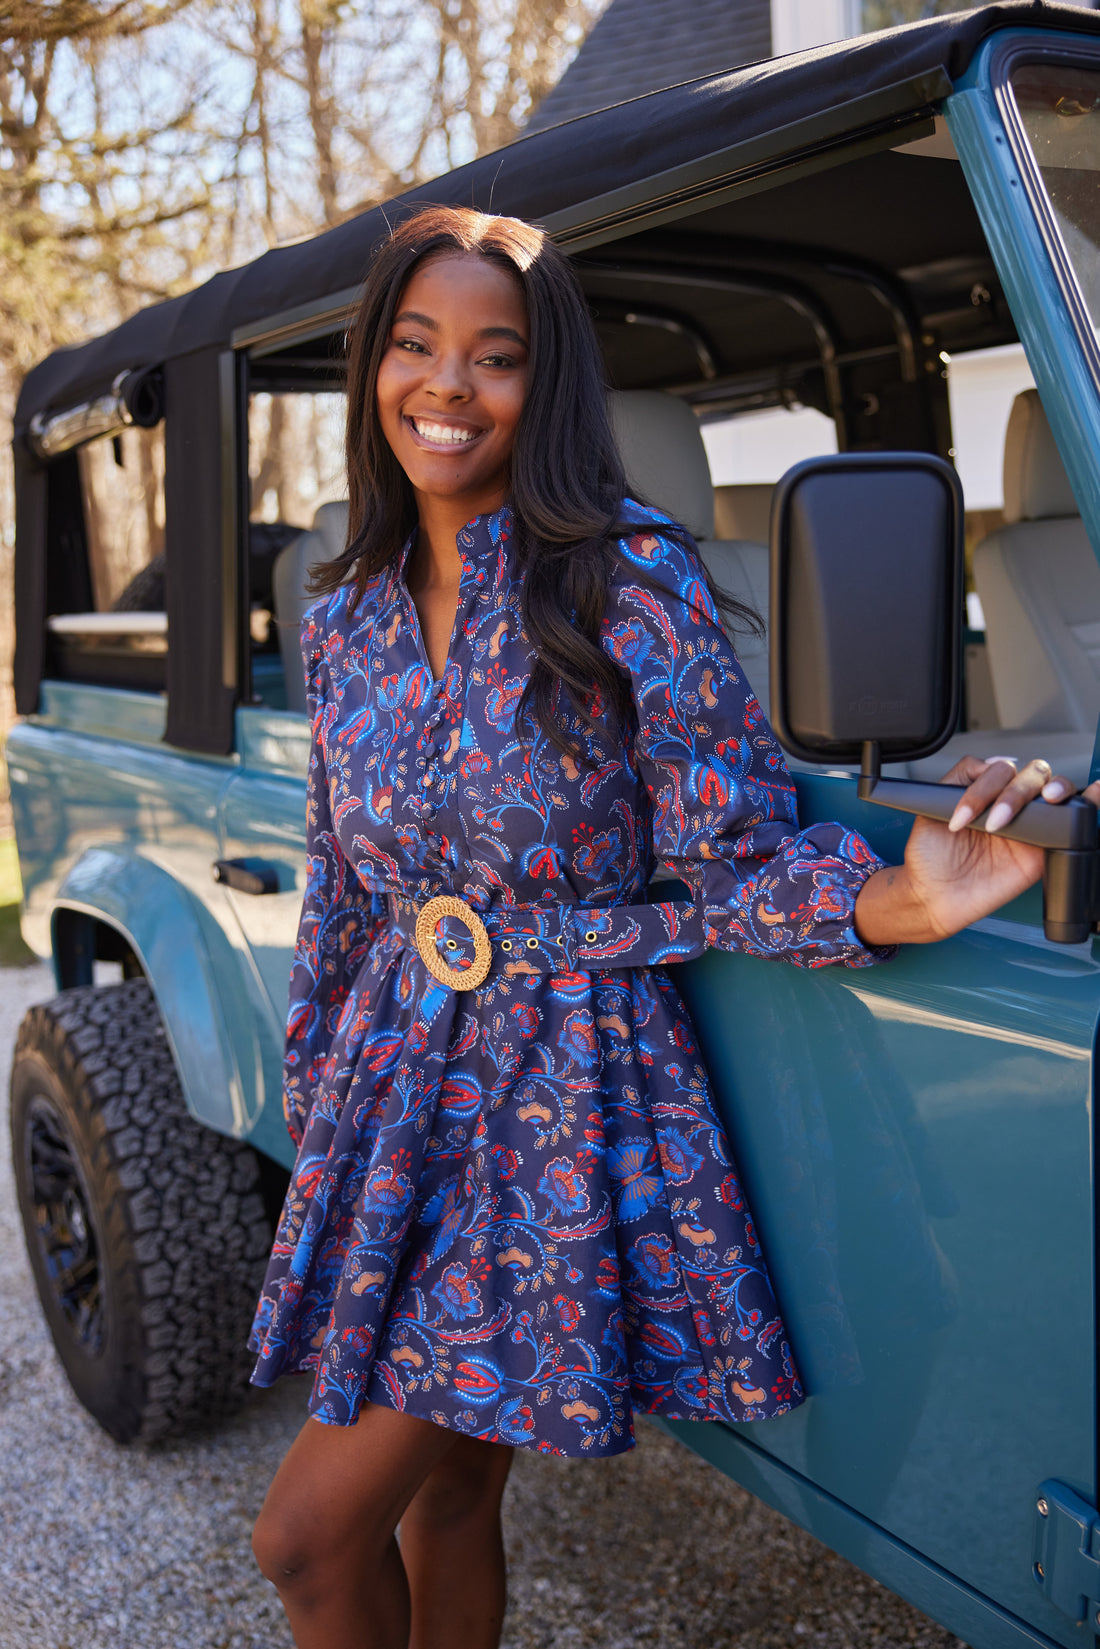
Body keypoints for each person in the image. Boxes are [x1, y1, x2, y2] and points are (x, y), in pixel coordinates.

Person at [247, 205, 1096, 1649]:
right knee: (438, 1498)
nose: (448, 387)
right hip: (397, 1101)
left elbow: (727, 852)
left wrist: (896, 894)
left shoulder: (624, 576)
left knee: (303, 1541)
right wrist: (326, 1107)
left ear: (546, 383)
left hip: (553, 1094)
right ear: (371, 365)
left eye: (495, 356)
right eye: (416, 345)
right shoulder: (346, 615)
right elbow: (343, 886)